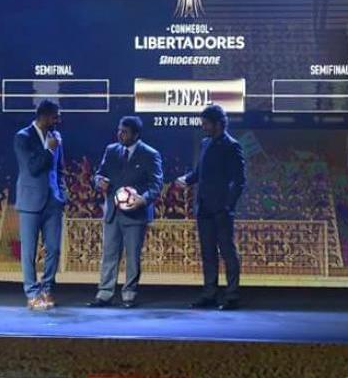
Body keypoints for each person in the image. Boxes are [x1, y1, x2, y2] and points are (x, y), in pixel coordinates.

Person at [176, 104, 246, 310]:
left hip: (222, 210)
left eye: (206, 123)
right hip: (204, 207)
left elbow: (239, 181)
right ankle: (210, 294)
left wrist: (228, 206)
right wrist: (185, 180)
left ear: (218, 124)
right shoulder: (205, 143)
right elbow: (199, 173)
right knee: (208, 253)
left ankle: (232, 296)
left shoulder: (232, 146)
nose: (203, 127)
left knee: (227, 252)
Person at [88, 116, 163, 308]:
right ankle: (104, 294)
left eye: (125, 132)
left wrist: (143, 199)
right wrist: (99, 182)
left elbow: (156, 185)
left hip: (135, 215)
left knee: (132, 257)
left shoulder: (150, 154)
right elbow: (99, 173)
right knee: (109, 254)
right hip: (113, 213)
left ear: (136, 134)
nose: (120, 134)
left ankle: (129, 294)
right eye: (119, 130)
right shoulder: (111, 150)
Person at [13, 99, 67, 310]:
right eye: (55, 117)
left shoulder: (56, 137)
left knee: (54, 248)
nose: (58, 120)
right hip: (30, 202)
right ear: (43, 116)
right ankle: (32, 293)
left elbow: (60, 169)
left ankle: (47, 288)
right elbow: (33, 168)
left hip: (53, 202)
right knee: (29, 251)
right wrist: (49, 150)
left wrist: (62, 193)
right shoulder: (23, 137)